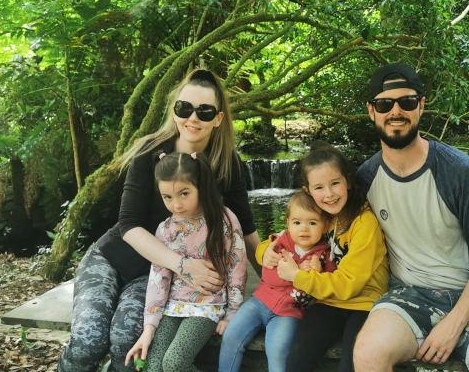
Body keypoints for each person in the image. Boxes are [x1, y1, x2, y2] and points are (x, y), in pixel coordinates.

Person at [57, 69, 261, 372]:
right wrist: (183, 265)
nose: (193, 118)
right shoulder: (149, 153)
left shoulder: (227, 164)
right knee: (89, 340)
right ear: (173, 110)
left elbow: (246, 230)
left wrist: (277, 286)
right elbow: (128, 224)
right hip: (112, 259)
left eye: (204, 111)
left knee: (128, 340)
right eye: (184, 108)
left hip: (153, 276)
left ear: (218, 118)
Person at [353, 63, 469, 372]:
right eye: (385, 103)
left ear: (421, 105)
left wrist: (453, 324)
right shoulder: (366, 179)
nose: (396, 111)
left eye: (407, 102)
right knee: (368, 355)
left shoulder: (458, 171)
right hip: (408, 295)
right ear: (372, 111)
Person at [258, 142, 389, 372]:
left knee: (351, 364)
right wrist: (265, 252)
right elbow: (284, 238)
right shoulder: (321, 218)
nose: (328, 194)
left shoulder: (364, 223)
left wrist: (298, 276)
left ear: (347, 181)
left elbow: (349, 285)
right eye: (319, 187)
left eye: (335, 183)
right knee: (297, 356)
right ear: (307, 191)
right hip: (327, 300)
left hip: (365, 302)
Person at [124, 152, 247, 372]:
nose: (176, 205)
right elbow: (158, 278)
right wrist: (149, 326)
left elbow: (236, 268)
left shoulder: (224, 220)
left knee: (174, 364)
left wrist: (232, 314)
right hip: (172, 308)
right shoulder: (165, 229)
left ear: (201, 186)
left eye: (184, 193)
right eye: (167, 197)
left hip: (207, 307)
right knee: (152, 366)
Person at [219, 191, 337, 372]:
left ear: (325, 225)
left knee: (278, 350)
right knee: (231, 335)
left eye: (312, 223)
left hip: (290, 312)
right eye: (297, 222)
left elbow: (327, 290)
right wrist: (272, 261)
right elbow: (268, 276)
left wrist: (317, 274)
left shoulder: (325, 255)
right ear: (288, 223)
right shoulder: (278, 243)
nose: (304, 228)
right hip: (259, 302)